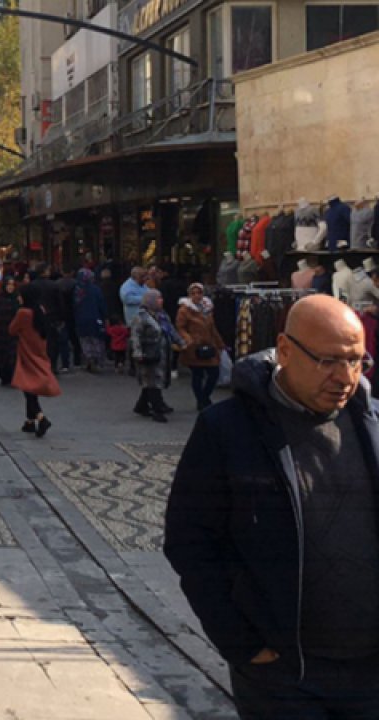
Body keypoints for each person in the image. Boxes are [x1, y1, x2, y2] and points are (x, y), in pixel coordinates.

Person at [164, 294, 379, 718]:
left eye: (356, 361)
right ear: (284, 350)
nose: (345, 376)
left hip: (370, 673)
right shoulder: (227, 430)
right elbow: (189, 541)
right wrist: (239, 641)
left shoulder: (372, 425)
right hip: (282, 675)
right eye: (328, 361)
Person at [11, 284, 60, 437]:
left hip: (27, 353)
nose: (18, 298)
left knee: (27, 388)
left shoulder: (23, 313)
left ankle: (41, 417)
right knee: (30, 385)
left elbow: (11, 330)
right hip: (39, 352)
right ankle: (30, 421)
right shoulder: (40, 310)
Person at [175, 283, 226, 411]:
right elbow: (180, 327)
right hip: (194, 348)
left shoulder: (207, 309)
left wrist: (220, 344)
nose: (197, 295)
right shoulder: (184, 310)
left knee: (214, 373)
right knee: (197, 374)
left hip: (209, 345)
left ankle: (204, 397)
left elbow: (212, 328)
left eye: (199, 293)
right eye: (193, 293)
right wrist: (188, 339)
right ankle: (201, 400)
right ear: (189, 295)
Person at [131, 290, 178, 422]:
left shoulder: (162, 316)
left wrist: (181, 342)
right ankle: (157, 410)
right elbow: (136, 336)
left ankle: (142, 405)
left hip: (162, 354)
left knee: (153, 380)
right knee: (153, 381)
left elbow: (170, 330)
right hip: (149, 353)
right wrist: (138, 353)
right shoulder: (141, 317)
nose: (161, 301)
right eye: (158, 299)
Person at [72, 268, 109, 372]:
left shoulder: (76, 290)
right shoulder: (96, 289)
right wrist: (105, 316)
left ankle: (89, 358)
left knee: (84, 340)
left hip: (80, 318)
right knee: (96, 339)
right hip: (95, 317)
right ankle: (97, 360)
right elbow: (101, 304)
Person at [0, 275, 21, 386]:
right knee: (2, 356)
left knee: (13, 356)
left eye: (12, 285)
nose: (10, 287)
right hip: (0, 333)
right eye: (8, 285)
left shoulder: (17, 299)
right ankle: (4, 376)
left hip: (14, 333)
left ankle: (13, 377)